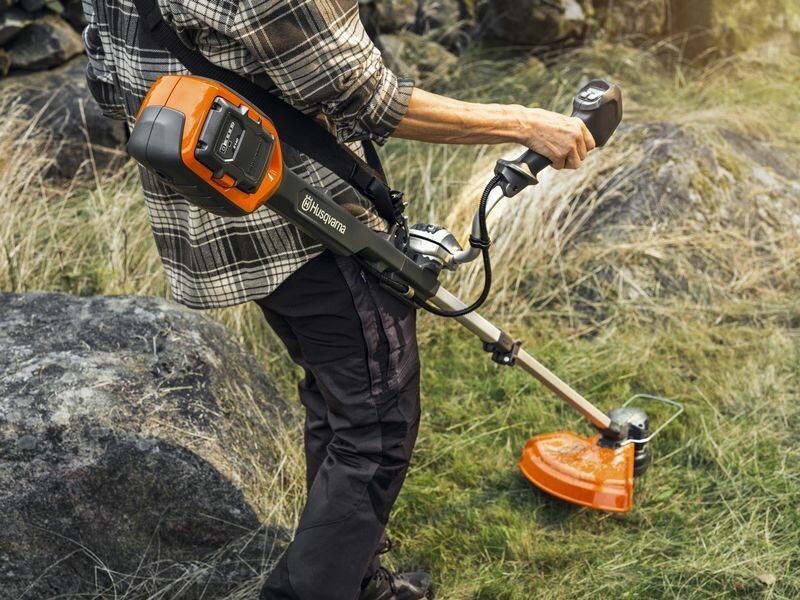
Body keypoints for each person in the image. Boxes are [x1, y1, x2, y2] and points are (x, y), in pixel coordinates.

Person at [82, 1, 595, 598]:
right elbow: (368, 97)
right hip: (310, 226)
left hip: (222, 211)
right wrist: (526, 124)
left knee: (337, 403)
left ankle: (355, 580)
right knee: (375, 429)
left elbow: (107, 79)